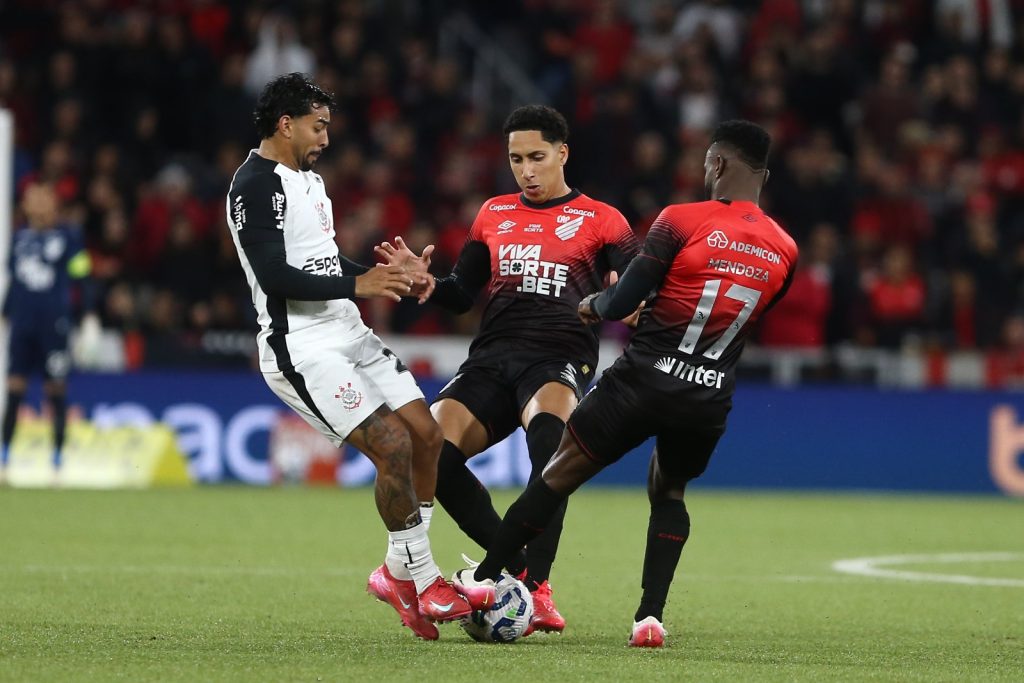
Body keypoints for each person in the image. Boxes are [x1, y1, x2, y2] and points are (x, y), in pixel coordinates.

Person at [451, 120, 798, 647]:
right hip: (706, 398)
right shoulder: (785, 248)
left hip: (640, 384)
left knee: (554, 475)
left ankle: (483, 582)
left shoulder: (681, 219)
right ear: (765, 175)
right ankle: (649, 619)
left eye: (707, 163)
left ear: (718, 165)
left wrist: (590, 305)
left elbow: (619, 303)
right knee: (670, 492)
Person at [225, 72, 469, 641]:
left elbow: (321, 262)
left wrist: (387, 277)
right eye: (319, 126)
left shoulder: (311, 183)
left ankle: (395, 570)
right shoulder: (252, 186)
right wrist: (360, 285)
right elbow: (276, 276)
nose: (327, 139)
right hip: (301, 347)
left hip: (347, 330)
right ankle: (426, 577)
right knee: (392, 445)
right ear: (285, 125)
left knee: (427, 436)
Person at [378, 104, 640, 633]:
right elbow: (460, 293)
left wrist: (627, 304)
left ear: (562, 153)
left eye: (537, 157)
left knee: (551, 458)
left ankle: (538, 589)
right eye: (516, 159)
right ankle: (518, 573)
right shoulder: (493, 213)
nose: (526, 170)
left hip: (558, 356)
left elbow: (634, 290)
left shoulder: (602, 220)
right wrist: (427, 285)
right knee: (429, 456)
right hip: (491, 357)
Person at [1, 182, 94, 485]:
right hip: (23, 326)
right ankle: (4, 460)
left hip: (54, 326)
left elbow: (82, 277)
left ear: (54, 204)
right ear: (25, 206)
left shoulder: (68, 237)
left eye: (43, 198)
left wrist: (89, 315)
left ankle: (57, 463)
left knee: (55, 392)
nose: (38, 204)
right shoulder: (18, 239)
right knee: (14, 391)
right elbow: (14, 283)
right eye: (32, 199)